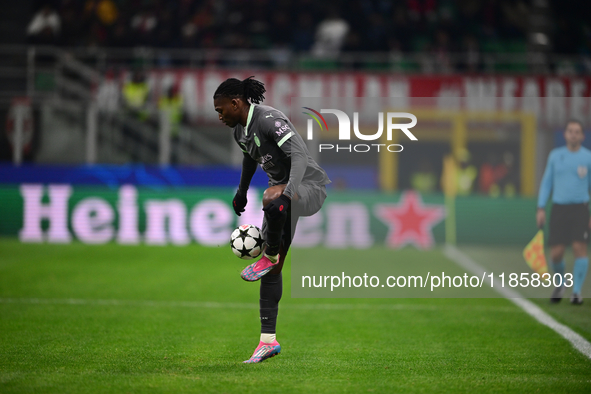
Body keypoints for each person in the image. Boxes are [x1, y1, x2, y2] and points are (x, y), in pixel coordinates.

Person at [213, 77, 330, 363]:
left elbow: (300, 156)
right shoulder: (240, 132)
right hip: (283, 200)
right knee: (272, 270)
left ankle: (271, 253)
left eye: (221, 110)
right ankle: (268, 341)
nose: (219, 116)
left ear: (236, 103)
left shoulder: (269, 118)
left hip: (309, 188)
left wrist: (287, 194)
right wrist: (241, 192)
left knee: (269, 199)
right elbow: (249, 159)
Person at [537, 120, 591, 305]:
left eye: (577, 131)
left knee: (579, 248)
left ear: (583, 136)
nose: (573, 134)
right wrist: (541, 207)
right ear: (565, 134)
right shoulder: (555, 156)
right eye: (570, 131)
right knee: (556, 254)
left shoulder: (588, 158)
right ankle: (560, 284)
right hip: (559, 208)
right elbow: (546, 183)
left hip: (580, 208)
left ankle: (576, 292)